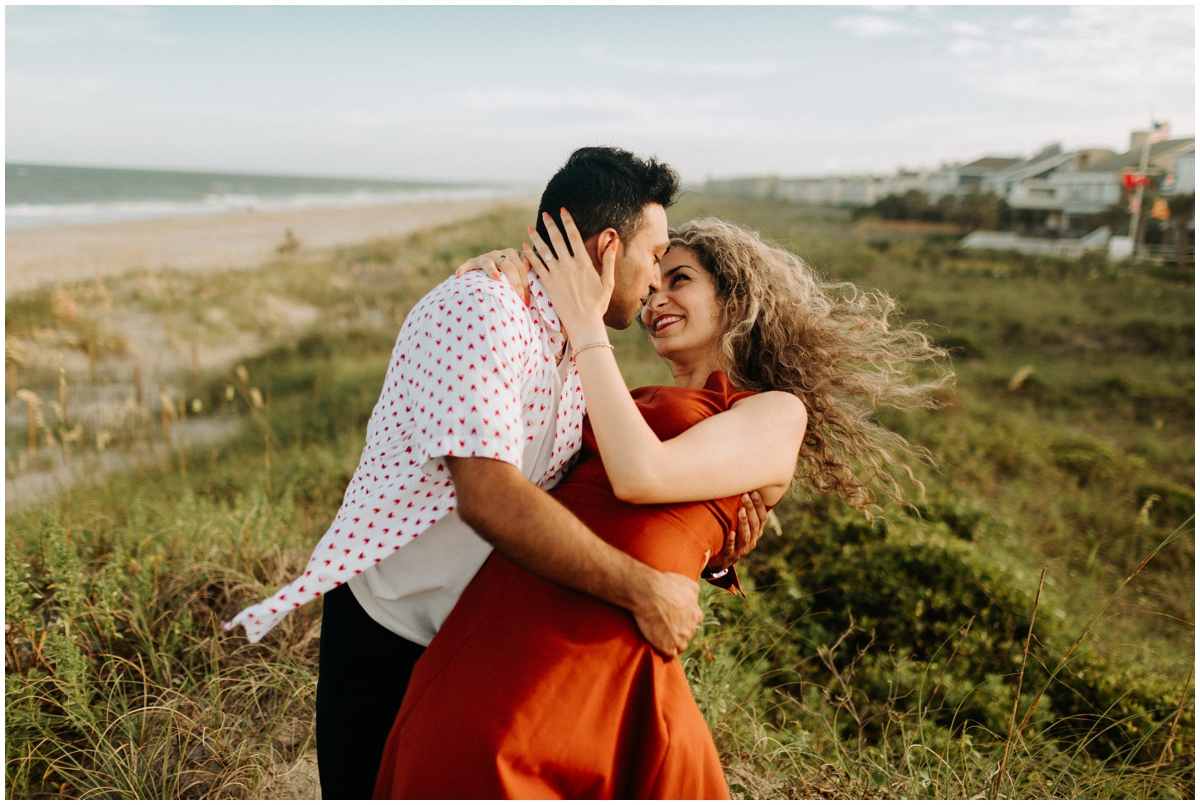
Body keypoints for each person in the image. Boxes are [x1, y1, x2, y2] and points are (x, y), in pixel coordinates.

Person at [221, 147, 768, 798]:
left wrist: (711, 546)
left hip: (478, 646)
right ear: (610, 247)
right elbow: (490, 497)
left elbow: (608, 489)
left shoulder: (579, 344)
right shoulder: (483, 310)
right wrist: (644, 590)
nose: (655, 283)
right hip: (389, 633)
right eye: (656, 258)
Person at [372, 214, 953, 797]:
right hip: (511, 600)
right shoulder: (625, 396)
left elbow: (639, 475)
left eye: (680, 280)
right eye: (653, 281)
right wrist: (511, 276)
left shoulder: (776, 412)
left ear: (736, 297)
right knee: (449, 749)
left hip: (603, 630)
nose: (655, 298)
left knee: (522, 754)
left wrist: (585, 326)